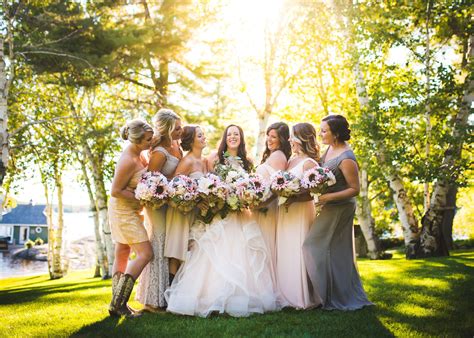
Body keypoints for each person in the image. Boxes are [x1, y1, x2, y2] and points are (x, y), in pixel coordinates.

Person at [165, 125, 282, 317]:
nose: (233, 137)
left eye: (236, 134)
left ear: (241, 138)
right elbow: (209, 184)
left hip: (241, 214)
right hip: (220, 213)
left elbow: (251, 186)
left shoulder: (248, 162)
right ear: (225, 138)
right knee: (215, 255)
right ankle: (210, 297)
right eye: (229, 134)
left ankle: (238, 299)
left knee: (241, 254)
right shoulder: (213, 159)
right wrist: (214, 199)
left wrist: (248, 197)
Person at [303, 114, 373, 310]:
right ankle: (327, 294)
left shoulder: (347, 157)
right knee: (331, 251)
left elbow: (355, 189)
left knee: (312, 245)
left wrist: (326, 198)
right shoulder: (330, 148)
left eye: (324, 130)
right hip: (329, 205)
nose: (320, 133)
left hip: (340, 207)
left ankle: (329, 296)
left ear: (336, 133)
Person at [135, 108, 183, 312]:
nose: (181, 131)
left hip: (171, 205)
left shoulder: (175, 145)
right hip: (157, 206)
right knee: (159, 246)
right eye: (177, 128)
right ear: (168, 130)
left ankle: (165, 297)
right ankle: (152, 301)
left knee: (168, 247)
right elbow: (150, 183)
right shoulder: (159, 153)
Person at [108, 119, 154, 317]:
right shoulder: (128, 160)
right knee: (145, 253)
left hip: (131, 209)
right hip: (123, 211)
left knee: (123, 252)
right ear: (136, 141)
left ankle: (116, 304)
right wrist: (142, 197)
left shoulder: (139, 153)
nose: (150, 142)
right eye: (147, 140)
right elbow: (116, 191)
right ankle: (119, 303)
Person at [276, 122, 322, 309]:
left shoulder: (309, 163)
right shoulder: (290, 161)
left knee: (299, 249)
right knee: (286, 249)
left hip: (301, 211)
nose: (289, 140)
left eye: (292, 136)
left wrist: (294, 197)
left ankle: (302, 296)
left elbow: (314, 192)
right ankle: (285, 294)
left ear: (301, 138)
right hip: (286, 212)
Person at [164, 125, 207, 275]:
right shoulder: (187, 161)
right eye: (200, 136)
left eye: (203, 135)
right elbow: (175, 188)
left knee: (190, 251)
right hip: (180, 212)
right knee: (177, 253)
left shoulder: (203, 161)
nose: (204, 138)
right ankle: (169, 295)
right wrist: (195, 201)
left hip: (194, 213)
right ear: (191, 141)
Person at [255, 122, 291, 274]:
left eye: (273, 137)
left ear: (282, 139)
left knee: (264, 242)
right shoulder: (272, 155)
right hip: (261, 205)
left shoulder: (278, 156)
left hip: (267, 208)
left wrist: (260, 204)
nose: (269, 140)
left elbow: (277, 189)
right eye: (268, 136)